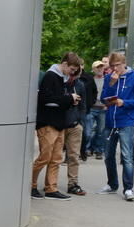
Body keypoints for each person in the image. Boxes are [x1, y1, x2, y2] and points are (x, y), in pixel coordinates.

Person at [32, 53, 82, 200]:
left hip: (59, 123)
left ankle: (51, 188)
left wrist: (70, 100)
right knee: (45, 157)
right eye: (72, 69)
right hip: (48, 123)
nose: (72, 72)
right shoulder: (51, 76)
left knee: (56, 158)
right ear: (65, 64)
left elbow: (54, 99)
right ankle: (31, 185)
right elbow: (45, 99)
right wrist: (69, 98)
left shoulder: (61, 78)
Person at [98, 52, 134, 201]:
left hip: (127, 121)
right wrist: (111, 84)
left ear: (124, 63)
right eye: (112, 66)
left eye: (117, 65)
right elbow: (103, 99)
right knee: (108, 155)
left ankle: (129, 188)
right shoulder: (109, 77)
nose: (114, 68)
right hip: (111, 122)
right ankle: (112, 184)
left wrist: (124, 103)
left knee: (126, 156)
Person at [61, 59, 87, 195]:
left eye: (76, 74)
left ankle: (73, 184)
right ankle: (49, 185)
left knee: (74, 157)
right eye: (71, 72)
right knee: (51, 157)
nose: (73, 76)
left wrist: (80, 122)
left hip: (75, 125)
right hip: (58, 125)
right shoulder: (60, 82)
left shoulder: (80, 85)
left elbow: (84, 106)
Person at [82, 60, 106, 160]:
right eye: (97, 67)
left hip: (103, 108)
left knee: (101, 131)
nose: (100, 69)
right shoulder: (90, 80)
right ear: (93, 69)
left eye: (101, 67)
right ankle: (87, 149)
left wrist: (108, 104)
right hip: (91, 108)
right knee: (88, 131)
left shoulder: (108, 80)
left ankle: (99, 150)